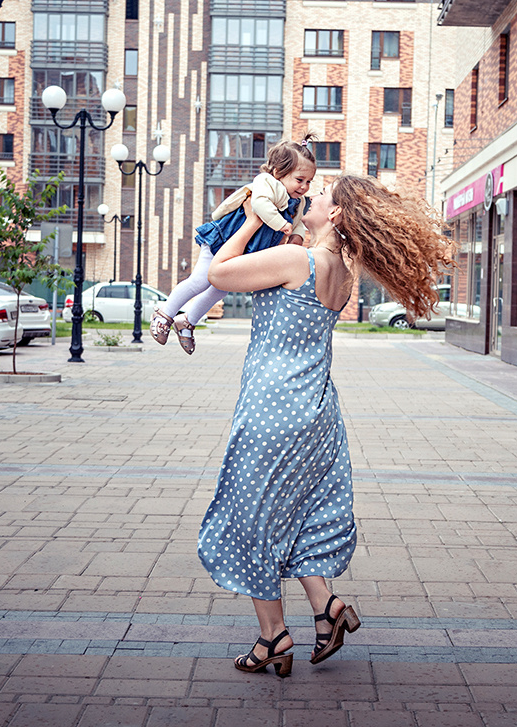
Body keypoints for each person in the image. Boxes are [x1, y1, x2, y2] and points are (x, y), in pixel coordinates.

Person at [196, 173, 455, 676]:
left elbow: (219, 275)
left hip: (273, 410)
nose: (306, 197)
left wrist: (250, 220)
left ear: (335, 214)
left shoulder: (299, 260)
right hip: (316, 411)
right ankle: (327, 608)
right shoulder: (341, 271)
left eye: (317, 196)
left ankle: (273, 637)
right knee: (299, 511)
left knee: (252, 518)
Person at [150, 135, 317, 354]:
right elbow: (259, 204)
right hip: (225, 239)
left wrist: (296, 238)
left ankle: (188, 320)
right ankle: (165, 313)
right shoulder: (266, 183)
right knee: (200, 280)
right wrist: (281, 225)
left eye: (309, 182)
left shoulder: (299, 201)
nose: (304, 187)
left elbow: (296, 225)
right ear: (278, 172)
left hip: (245, 249)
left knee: (221, 290)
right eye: (300, 179)